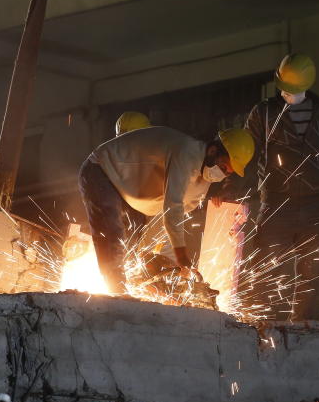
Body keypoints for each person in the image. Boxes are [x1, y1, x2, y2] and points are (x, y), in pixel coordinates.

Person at [238, 53, 319, 321]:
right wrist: (231, 191)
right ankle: (260, 324)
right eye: (285, 88)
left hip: (318, 204)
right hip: (277, 203)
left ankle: (300, 325)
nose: (288, 93)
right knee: (263, 269)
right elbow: (245, 154)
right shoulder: (264, 113)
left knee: (310, 272)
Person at [78, 125, 254, 294]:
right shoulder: (186, 151)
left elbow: (174, 215)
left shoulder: (202, 179)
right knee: (112, 232)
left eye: (227, 172)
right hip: (102, 169)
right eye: (223, 167)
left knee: (130, 242)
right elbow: (172, 208)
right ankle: (116, 292)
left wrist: (168, 262)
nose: (222, 174)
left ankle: (127, 287)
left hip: (130, 192)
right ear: (213, 151)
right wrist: (181, 255)